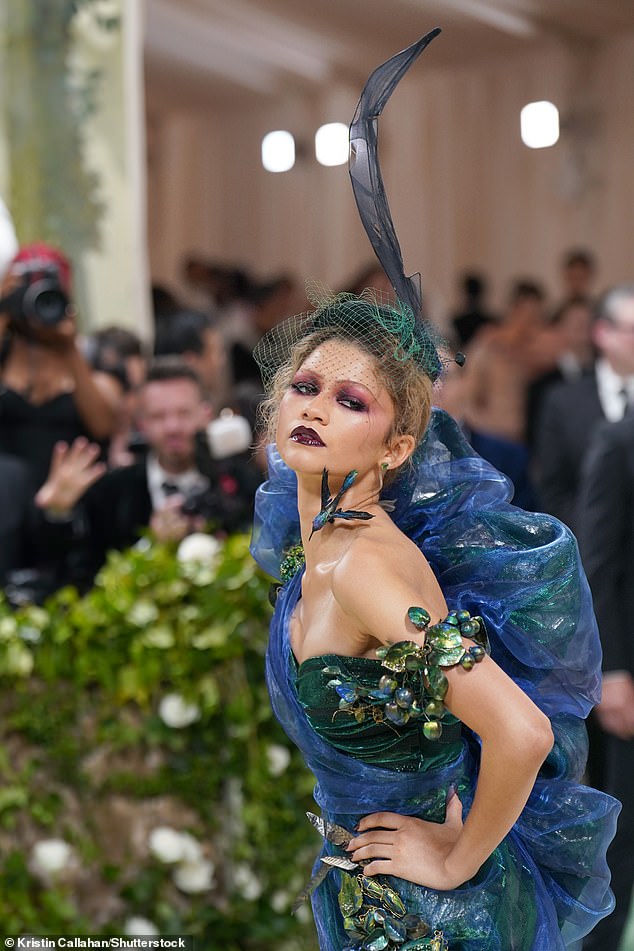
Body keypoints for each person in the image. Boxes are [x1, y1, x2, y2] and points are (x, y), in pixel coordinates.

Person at [249, 291, 618, 950]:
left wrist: (455, 858)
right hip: (376, 885)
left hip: (425, 914)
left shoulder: (362, 564)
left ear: (396, 450)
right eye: (305, 386)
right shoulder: (322, 547)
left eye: (350, 400)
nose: (315, 406)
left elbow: (522, 729)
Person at [49, 358, 258, 591]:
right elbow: (91, 581)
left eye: (184, 413)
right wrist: (151, 545)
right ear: (142, 424)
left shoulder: (243, 483)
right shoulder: (110, 493)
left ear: (205, 415)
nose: (172, 427)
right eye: (159, 416)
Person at [576, 415, 634, 951]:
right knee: (625, 834)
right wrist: (612, 671)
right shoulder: (619, 439)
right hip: (631, 674)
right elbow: (596, 561)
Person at [0, 242, 121, 487]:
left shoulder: (86, 363)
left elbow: (103, 426)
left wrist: (70, 346)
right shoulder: (4, 355)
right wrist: (2, 310)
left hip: (71, 503)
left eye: (49, 295)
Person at [534, 283, 634, 534]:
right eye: (631, 330)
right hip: (585, 548)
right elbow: (553, 487)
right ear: (602, 333)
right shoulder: (563, 401)